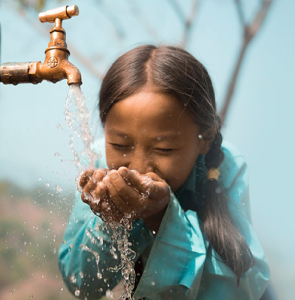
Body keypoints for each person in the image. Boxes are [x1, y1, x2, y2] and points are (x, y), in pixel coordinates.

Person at [58, 45, 270, 300]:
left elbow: (236, 289)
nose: (139, 166)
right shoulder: (97, 163)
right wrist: (109, 223)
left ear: (205, 137)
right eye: (120, 145)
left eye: (163, 148)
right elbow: (81, 283)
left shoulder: (226, 166)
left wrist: (161, 218)